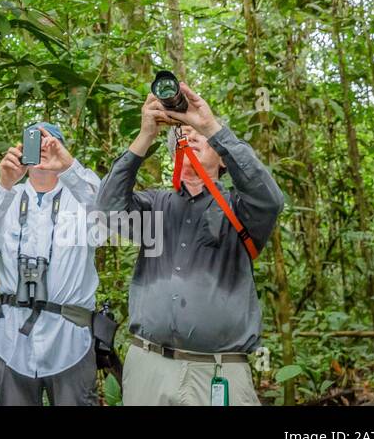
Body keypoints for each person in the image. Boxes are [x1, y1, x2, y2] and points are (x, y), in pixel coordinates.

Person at [95, 82, 286, 405]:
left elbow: (270, 199)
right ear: (174, 155)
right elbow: (108, 209)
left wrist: (210, 126)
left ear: (223, 159)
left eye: (203, 140)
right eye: (185, 137)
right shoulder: (154, 207)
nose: (193, 138)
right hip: (149, 368)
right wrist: (145, 136)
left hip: (219, 371)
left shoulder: (243, 210)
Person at [0, 123, 102, 405]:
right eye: (33, 144)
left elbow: (108, 218)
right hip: (11, 340)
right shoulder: (7, 198)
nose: (41, 151)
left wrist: (68, 168)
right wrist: (4, 184)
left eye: (50, 144)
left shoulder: (81, 197)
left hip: (70, 339)